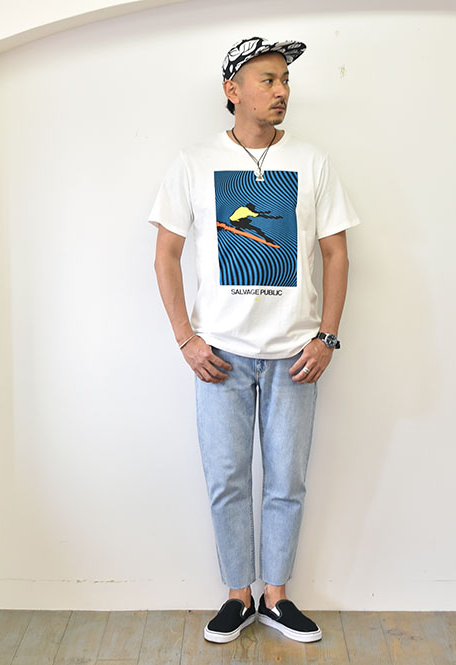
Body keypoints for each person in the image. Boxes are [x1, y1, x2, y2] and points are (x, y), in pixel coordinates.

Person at [148, 36, 361, 644]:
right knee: (228, 479)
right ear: (232, 90)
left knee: (287, 482)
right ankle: (237, 595)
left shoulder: (312, 161)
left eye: (285, 80)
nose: (281, 91)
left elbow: (336, 253)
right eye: (268, 80)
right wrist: (186, 340)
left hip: (295, 354)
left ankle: (276, 596)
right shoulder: (194, 162)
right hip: (220, 355)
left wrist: (327, 337)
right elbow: (165, 255)